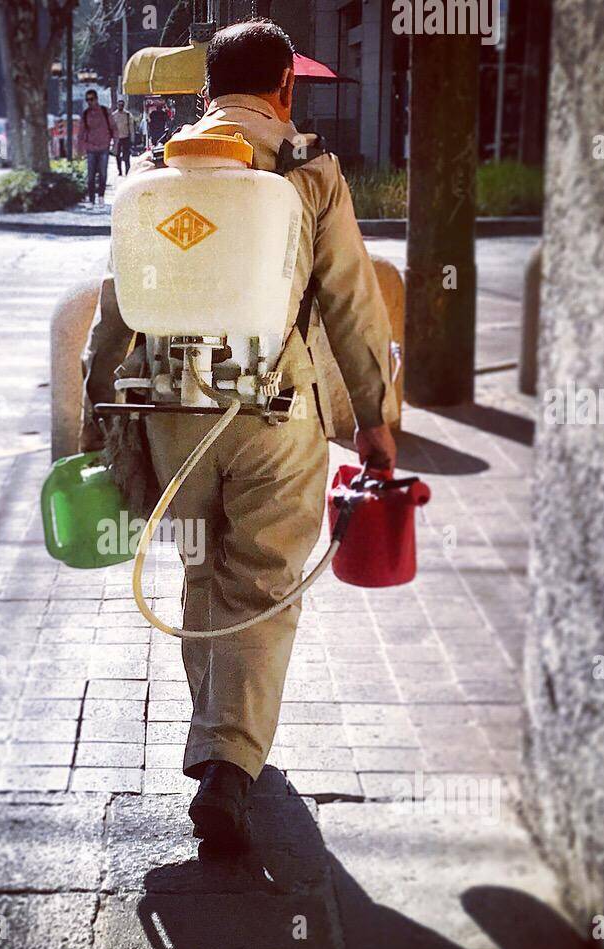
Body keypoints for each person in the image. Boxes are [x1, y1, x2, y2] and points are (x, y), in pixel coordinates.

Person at [80, 20, 397, 851]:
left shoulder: (156, 175)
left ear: (204, 88)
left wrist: (93, 426)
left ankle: (215, 735)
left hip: (171, 417)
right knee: (259, 583)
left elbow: (114, 316)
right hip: (272, 410)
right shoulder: (309, 172)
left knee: (199, 568)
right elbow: (352, 306)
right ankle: (229, 761)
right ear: (285, 87)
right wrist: (375, 421)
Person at [76, 88, 115, 205]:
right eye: (87, 100)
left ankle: (101, 196)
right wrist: (80, 149)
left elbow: (114, 128)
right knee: (91, 175)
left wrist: (115, 144)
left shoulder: (105, 111)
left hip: (104, 147)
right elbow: (81, 133)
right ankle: (92, 199)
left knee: (103, 173)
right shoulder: (86, 114)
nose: (89, 102)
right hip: (91, 148)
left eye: (91, 99)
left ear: (96, 99)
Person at [112, 99, 133, 176]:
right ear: (117, 105)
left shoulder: (127, 115)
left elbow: (131, 127)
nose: (120, 106)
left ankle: (128, 170)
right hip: (117, 138)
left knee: (126, 155)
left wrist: (132, 138)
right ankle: (120, 171)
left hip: (126, 137)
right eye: (119, 105)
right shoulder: (114, 115)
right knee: (117, 155)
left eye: (122, 105)